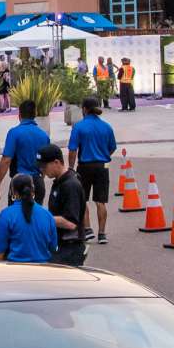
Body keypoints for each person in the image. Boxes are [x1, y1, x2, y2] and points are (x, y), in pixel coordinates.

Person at [64, 96, 118, 245]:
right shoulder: (106, 127)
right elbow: (112, 147)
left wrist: (70, 167)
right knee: (101, 201)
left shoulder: (79, 127)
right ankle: (102, 234)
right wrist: (104, 156)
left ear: (84, 109)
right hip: (102, 166)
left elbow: (73, 149)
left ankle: (87, 229)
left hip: (85, 166)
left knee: (83, 199)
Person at [0, 173, 58, 263]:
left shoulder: (6, 215)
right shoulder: (47, 215)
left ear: (13, 192)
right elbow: (53, 248)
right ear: (33, 190)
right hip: (43, 271)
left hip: (15, 272)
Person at [39, 145, 87, 267]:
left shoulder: (70, 185)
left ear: (56, 162)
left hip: (69, 248)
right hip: (61, 244)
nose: (42, 170)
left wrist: (40, 217)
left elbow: (70, 223)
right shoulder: (59, 181)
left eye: (44, 166)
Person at [0, 103, 51, 200]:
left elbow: (6, 160)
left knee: (16, 213)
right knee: (36, 214)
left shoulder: (14, 133)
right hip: (38, 182)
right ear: (35, 114)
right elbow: (46, 162)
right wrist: (40, 178)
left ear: (19, 115)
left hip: (19, 182)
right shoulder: (44, 135)